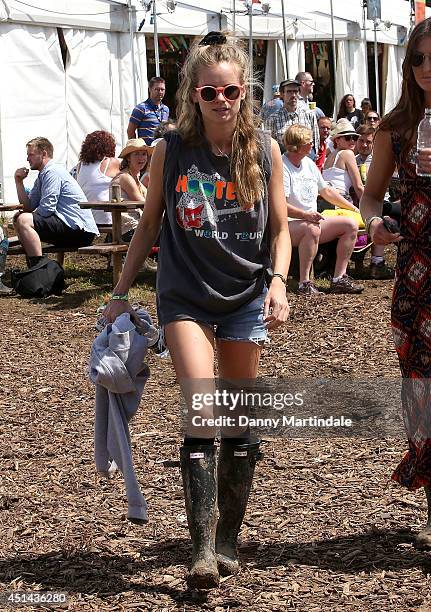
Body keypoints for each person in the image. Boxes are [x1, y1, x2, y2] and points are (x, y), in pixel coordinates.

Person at [103, 30, 290, 588]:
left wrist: (279, 281)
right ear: (193, 96)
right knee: (203, 408)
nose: (221, 102)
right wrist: (118, 292)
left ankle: (229, 538)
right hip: (184, 295)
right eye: (209, 93)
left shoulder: (265, 148)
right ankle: (203, 549)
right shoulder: (171, 149)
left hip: (244, 295)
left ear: (244, 94)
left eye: (230, 92)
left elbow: (281, 230)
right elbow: (148, 226)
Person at [360, 16, 431, 549]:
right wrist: (374, 225)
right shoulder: (398, 124)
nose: (427, 69)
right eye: (418, 60)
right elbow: (370, 194)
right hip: (417, 275)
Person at [283, 125, 364, 295]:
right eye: (309, 142)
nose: (313, 144)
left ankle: (338, 279)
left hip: (312, 220)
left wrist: (354, 209)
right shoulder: (283, 167)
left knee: (350, 224)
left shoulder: (309, 163)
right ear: (297, 146)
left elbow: (326, 191)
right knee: (311, 228)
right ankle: (304, 283)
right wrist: (305, 215)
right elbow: (280, 205)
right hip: (288, 225)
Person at [14, 137, 98, 267]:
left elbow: (47, 209)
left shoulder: (53, 172)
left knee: (24, 220)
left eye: (31, 154)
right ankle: (35, 268)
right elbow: (28, 207)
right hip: (71, 228)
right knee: (19, 218)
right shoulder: (43, 175)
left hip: (81, 231)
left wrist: (26, 218)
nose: (27, 159)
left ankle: (39, 269)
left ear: (43, 154)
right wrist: (19, 182)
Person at [355, 125, 396, 279]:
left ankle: (377, 262)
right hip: (361, 203)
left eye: (368, 142)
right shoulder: (353, 160)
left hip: (382, 202)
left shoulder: (381, 158)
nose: (364, 145)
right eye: (361, 141)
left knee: (382, 213)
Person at [75, 130, 120, 226]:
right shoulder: (110, 162)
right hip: (106, 219)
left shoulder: (80, 165)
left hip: (85, 218)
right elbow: (126, 180)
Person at [110, 138, 151, 241]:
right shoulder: (125, 177)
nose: (141, 158)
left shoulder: (135, 178)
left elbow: (149, 200)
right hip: (129, 230)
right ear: (128, 157)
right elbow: (144, 203)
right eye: (136, 154)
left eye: (143, 154)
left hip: (136, 227)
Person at [264, 78, 320, 155]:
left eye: (295, 91)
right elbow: (269, 147)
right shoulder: (273, 119)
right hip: (283, 163)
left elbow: (316, 142)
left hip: (306, 161)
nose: (293, 95)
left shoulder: (309, 115)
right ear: (282, 94)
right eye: (289, 92)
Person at [322, 119, 364, 206]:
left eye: (355, 138)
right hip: (340, 201)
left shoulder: (330, 156)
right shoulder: (348, 153)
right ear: (337, 140)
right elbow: (359, 187)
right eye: (348, 138)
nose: (352, 141)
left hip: (325, 200)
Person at [127, 76, 170, 145]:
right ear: (150, 89)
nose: (160, 92)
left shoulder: (165, 109)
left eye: (162, 89)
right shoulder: (141, 108)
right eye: (157, 89)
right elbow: (130, 131)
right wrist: (137, 149)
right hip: (147, 152)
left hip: (162, 151)